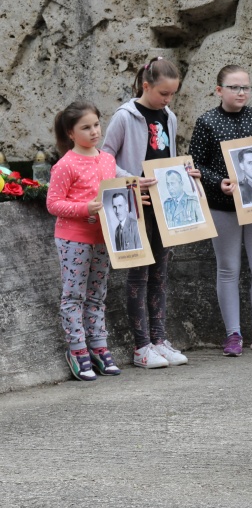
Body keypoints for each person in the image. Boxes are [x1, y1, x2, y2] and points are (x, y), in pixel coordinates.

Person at [189, 65, 252, 358]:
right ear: (219, 90)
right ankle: (233, 334)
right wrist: (217, 182)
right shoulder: (207, 122)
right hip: (223, 207)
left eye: (245, 87)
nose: (241, 92)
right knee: (228, 268)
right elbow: (195, 164)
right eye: (234, 87)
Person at [102, 56, 196, 370]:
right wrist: (131, 179)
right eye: (163, 93)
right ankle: (140, 346)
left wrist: (186, 174)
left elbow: (168, 158)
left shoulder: (169, 117)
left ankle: (159, 340)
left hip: (162, 205)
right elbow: (105, 157)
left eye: (172, 94)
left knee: (160, 275)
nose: (168, 99)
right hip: (135, 204)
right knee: (138, 275)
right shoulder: (125, 116)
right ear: (146, 85)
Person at [47, 102, 127, 380]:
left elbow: (120, 186)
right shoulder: (65, 165)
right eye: (86, 127)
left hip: (103, 238)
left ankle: (99, 347)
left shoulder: (107, 159)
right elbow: (53, 203)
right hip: (74, 240)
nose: (94, 132)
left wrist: (141, 184)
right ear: (70, 133)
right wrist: (85, 208)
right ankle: (77, 350)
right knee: (73, 295)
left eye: (96, 125)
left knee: (97, 294)